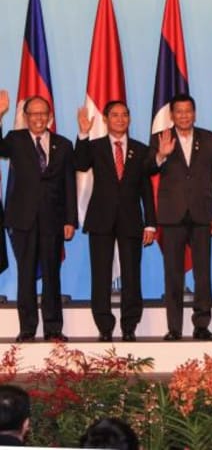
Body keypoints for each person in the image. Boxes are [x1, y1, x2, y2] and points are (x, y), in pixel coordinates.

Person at [75, 100, 156, 342]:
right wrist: (82, 133)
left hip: (131, 221)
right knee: (100, 275)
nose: (120, 119)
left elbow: (145, 189)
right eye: (115, 115)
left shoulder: (141, 150)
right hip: (101, 219)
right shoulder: (95, 146)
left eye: (124, 115)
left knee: (132, 275)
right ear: (106, 119)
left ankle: (129, 326)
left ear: (129, 119)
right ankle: (105, 326)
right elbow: (80, 163)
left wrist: (150, 222)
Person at [0, 91, 77, 342]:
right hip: (22, 218)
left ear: (50, 116)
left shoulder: (63, 144)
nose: (39, 118)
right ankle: (28, 328)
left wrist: (70, 220)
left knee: (52, 274)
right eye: (34, 113)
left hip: (53, 220)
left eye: (43, 113)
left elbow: (69, 185)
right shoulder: (15, 139)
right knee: (26, 274)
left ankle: (53, 328)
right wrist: (0, 114)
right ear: (26, 116)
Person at [150, 93, 212, 341]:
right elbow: (148, 169)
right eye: (179, 111)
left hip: (202, 214)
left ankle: (201, 325)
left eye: (188, 111)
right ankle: (174, 328)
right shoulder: (160, 138)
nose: (184, 115)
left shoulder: (209, 138)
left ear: (194, 113)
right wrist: (160, 155)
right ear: (172, 115)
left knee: (203, 274)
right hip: (172, 216)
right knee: (173, 274)